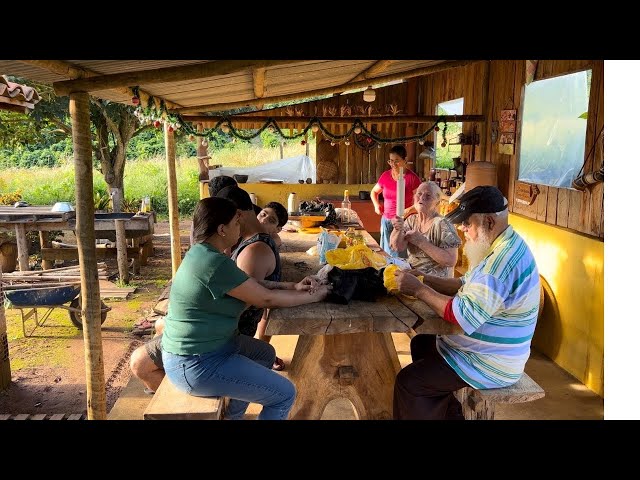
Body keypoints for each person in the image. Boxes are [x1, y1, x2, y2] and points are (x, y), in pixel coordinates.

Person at [161, 196, 329, 420]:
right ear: (222, 229)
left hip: (208, 350)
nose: (240, 227)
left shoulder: (204, 253)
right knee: (285, 394)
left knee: (265, 353)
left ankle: (234, 416)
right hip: (196, 364)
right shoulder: (213, 263)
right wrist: (317, 296)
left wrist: (293, 285)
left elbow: (247, 283)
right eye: (235, 223)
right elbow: (266, 299)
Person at [392, 186, 541, 420]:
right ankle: (449, 414)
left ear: (489, 222)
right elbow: (464, 283)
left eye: (467, 224)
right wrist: (423, 278)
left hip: (492, 363)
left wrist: (419, 289)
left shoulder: (499, 264)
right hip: (486, 352)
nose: (463, 230)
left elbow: (458, 315)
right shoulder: (502, 244)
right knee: (421, 343)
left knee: (409, 382)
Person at [389, 181, 461, 278]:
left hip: (434, 283)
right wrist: (398, 229)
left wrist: (421, 242)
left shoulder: (442, 224)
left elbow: (451, 260)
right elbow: (397, 247)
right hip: (413, 276)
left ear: (437, 202)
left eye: (428, 195)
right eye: (419, 194)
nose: (422, 198)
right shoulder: (412, 220)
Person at [370, 145, 421, 257]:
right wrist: (376, 205)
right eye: (391, 161)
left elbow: (420, 203)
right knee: (385, 253)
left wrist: (408, 211)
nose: (393, 164)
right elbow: (374, 192)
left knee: (399, 254)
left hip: (402, 222)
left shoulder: (412, 179)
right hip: (386, 220)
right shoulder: (385, 176)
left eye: (396, 161)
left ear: (405, 160)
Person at [254, 201, 288, 369]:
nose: (264, 219)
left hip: (260, 293)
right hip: (247, 294)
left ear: (278, 229)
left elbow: (278, 240)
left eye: (271, 220)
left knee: (265, 313)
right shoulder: (244, 233)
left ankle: (261, 350)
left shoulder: (270, 241)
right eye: (263, 213)